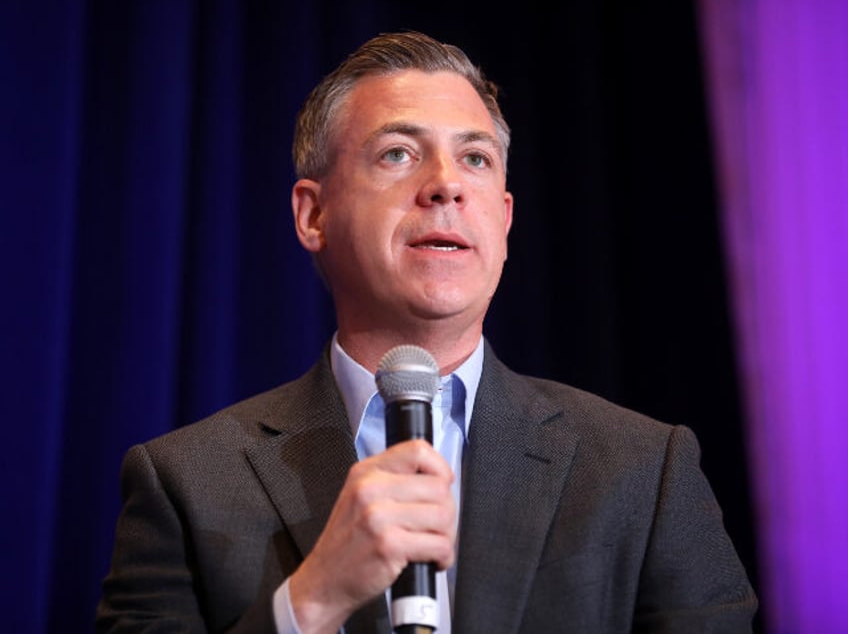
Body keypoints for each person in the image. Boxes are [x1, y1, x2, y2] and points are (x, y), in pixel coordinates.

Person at [95, 31, 758, 633]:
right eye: (398, 153)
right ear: (313, 214)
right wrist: (312, 602)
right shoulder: (183, 483)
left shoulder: (644, 467)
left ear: (502, 220)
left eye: (473, 159)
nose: (445, 185)